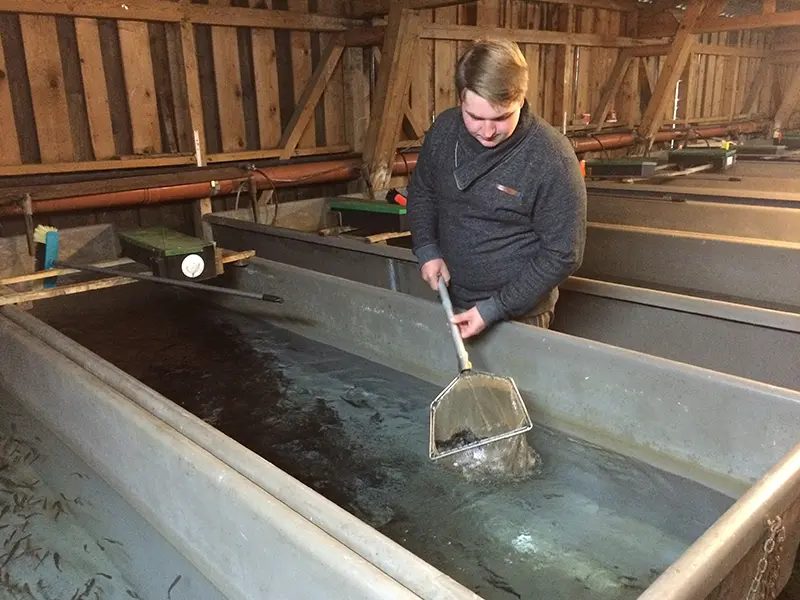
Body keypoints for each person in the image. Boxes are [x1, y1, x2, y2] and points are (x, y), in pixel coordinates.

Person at [406, 37, 587, 340]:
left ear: (521, 100)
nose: (488, 132)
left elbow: (563, 253)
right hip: (451, 298)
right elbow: (423, 191)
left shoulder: (551, 157)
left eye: (502, 118)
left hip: (520, 315)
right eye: (475, 117)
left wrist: (495, 308)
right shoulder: (444, 132)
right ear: (460, 100)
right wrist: (426, 247)